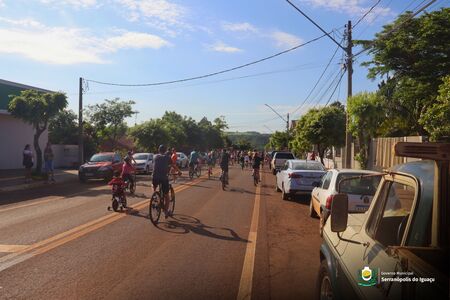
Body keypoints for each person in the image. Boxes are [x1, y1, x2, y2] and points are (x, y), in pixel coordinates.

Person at [153, 144, 172, 218]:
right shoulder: (167, 157)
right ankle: (165, 211)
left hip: (155, 177)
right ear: (165, 151)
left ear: (158, 150)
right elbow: (173, 165)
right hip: (163, 178)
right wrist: (179, 171)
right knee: (167, 196)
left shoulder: (154, 156)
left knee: (153, 185)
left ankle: (155, 195)